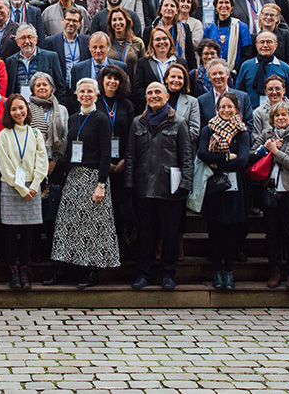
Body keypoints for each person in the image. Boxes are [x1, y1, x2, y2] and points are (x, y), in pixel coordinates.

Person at [43, 78, 121, 288]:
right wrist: (66, 177)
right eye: (82, 91)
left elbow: (106, 153)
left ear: (96, 94)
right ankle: (61, 269)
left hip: (94, 177)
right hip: (75, 177)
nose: (85, 95)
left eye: (89, 91)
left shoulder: (101, 119)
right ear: (76, 95)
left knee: (92, 226)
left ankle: (91, 272)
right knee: (66, 224)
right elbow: (70, 151)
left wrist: (102, 184)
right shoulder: (74, 118)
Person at [126, 82, 194, 290]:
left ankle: (168, 274)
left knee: (170, 233)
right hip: (144, 187)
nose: (153, 95)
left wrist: (186, 183)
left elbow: (187, 156)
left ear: (166, 96)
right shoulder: (138, 122)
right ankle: (144, 273)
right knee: (145, 233)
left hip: (169, 188)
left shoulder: (179, 123)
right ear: (145, 97)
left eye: (157, 92)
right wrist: (129, 183)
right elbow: (130, 155)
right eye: (149, 93)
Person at [254, 102, 289, 290]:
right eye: (277, 116)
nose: (280, 118)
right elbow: (254, 155)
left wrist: (276, 152)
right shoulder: (266, 136)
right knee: (272, 233)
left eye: (284, 115)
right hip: (269, 189)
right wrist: (266, 149)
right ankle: (275, 270)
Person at [198, 92, 250, 290]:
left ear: (236, 109)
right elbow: (203, 154)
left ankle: (229, 272)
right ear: (217, 109)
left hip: (235, 188)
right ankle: (217, 272)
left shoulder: (242, 131)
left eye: (230, 107)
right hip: (214, 187)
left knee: (230, 231)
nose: (226, 110)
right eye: (222, 107)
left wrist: (217, 158)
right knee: (214, 231)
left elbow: (243, 159)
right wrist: (228, 157)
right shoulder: (208, 129)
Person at [0, 93, 49, 289]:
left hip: (32, 188)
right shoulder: (4, 134)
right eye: (14, 109)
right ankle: (13, 270)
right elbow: (5, 165)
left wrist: (34, 186)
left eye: (21, 108)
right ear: (8, 112)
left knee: (28, 231)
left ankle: (25, 268)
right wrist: (20, 188)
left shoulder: (35, 133)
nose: (18, 112)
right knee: (10, 231)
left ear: (27, 109)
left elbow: (41, 162)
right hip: (11, 187)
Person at [96, 65, 136, 241]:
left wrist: (126, 160)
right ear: (102, 81)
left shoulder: (127, 105)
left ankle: (119, 244)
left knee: (119, 207)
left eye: (116, 78)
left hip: (122, 164)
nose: (112, 81)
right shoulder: (95, 102)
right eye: (108, 78)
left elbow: (132, 135)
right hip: (99, 164)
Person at [235, 31, 289, 108]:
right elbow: (239, 93)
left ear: (275, 46)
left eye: (269, 42)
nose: (265, 45)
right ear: (256, 45)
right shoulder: (246, 66)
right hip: (252, 114)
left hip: (278, 115)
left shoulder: (284, 67)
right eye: (262, 42)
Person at [4, 24, 66, 102]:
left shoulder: (50, 57)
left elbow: (60, 87)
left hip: (44, 106)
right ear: (17, 42)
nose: (27, 41)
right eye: (23, 38)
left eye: (30, 37)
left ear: (36, 39)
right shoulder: (10, 61)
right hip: (20, 108)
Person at [132, 27, 186, 112]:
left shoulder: (181, 62)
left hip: (175, 107)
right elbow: (138, 88)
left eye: (165, 38)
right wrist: (154, 101)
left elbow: (185, 87)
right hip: (151, 107)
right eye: (157, 39)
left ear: (170, 41)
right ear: (152, 43)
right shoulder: (143, 63)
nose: (162, 42)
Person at [197, 58, 255, 135]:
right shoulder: (201, 101)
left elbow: (249, 124)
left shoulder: (243, 97)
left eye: (221, 73)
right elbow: (202, 128)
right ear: (209, 78)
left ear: (227, 75)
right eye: (214, 74)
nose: (218, 76)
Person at [202, 0, 253, 73]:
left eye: (227, 2)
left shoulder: (241, 27)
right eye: (220, 3)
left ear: (232, 6)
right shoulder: (209, 29)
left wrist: (235, 71)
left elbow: (247, 54)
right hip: (213, 73)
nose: (224, 5)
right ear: (216, 6)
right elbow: (204, 54)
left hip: (235, 74)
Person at [42, 8, 90, 90]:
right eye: (68, 20)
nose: (71, 23)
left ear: (80, 23)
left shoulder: (87, 41)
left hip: (81, 89)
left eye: (75, 21)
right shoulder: (50, 42)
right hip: (59, 89)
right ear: (63, 20)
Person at [146, 0, 195, 71]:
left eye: (172, 6)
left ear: (176, 11)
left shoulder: (185, 29)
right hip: (156, 70)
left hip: (179, 71)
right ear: (160, 10)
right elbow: (147, 55)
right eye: (166, 5)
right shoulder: (150, 30)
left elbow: (190, 55)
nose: (169, 8)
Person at [251, 74, 289, 138]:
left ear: (284, 90)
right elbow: (255, 138)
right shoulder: (258, 113)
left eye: (278, 88)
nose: (274, 92)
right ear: (266, 91)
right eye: (270, 89)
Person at [103, 7, 145, 80]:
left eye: (120, 19)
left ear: (126, 21)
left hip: (133, 85)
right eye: (114, 20)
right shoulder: (107, 43)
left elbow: (144, 67)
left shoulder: (137, 43)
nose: (117, 23)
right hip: (113, 85)